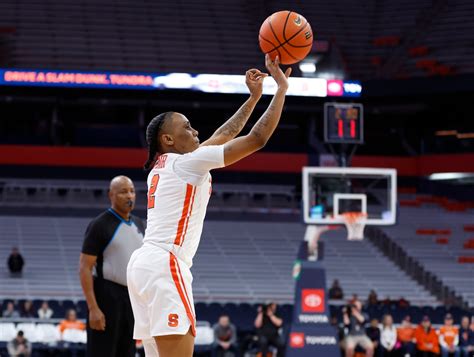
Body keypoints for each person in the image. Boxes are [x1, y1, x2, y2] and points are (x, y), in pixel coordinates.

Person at [127, 54, 291, 357]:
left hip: (143, 266)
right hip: (165, 263)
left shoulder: (163, 166)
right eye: (187, 128)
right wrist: (281, 89)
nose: (196, 132)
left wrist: (253, 98)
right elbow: (257, 138)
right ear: (168, 139)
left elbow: (222, 135)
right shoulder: (186, 164)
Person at [79, 176, 145, 357]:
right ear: (111, 195)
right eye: (123, 192)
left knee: (128, 351)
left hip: (132, 298)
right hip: (106, 296)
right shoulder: (99, 225)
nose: (129, 196)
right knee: (103, 351)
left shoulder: (141, 224)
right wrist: (93, 308)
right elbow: (85, 268)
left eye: (132, 191)